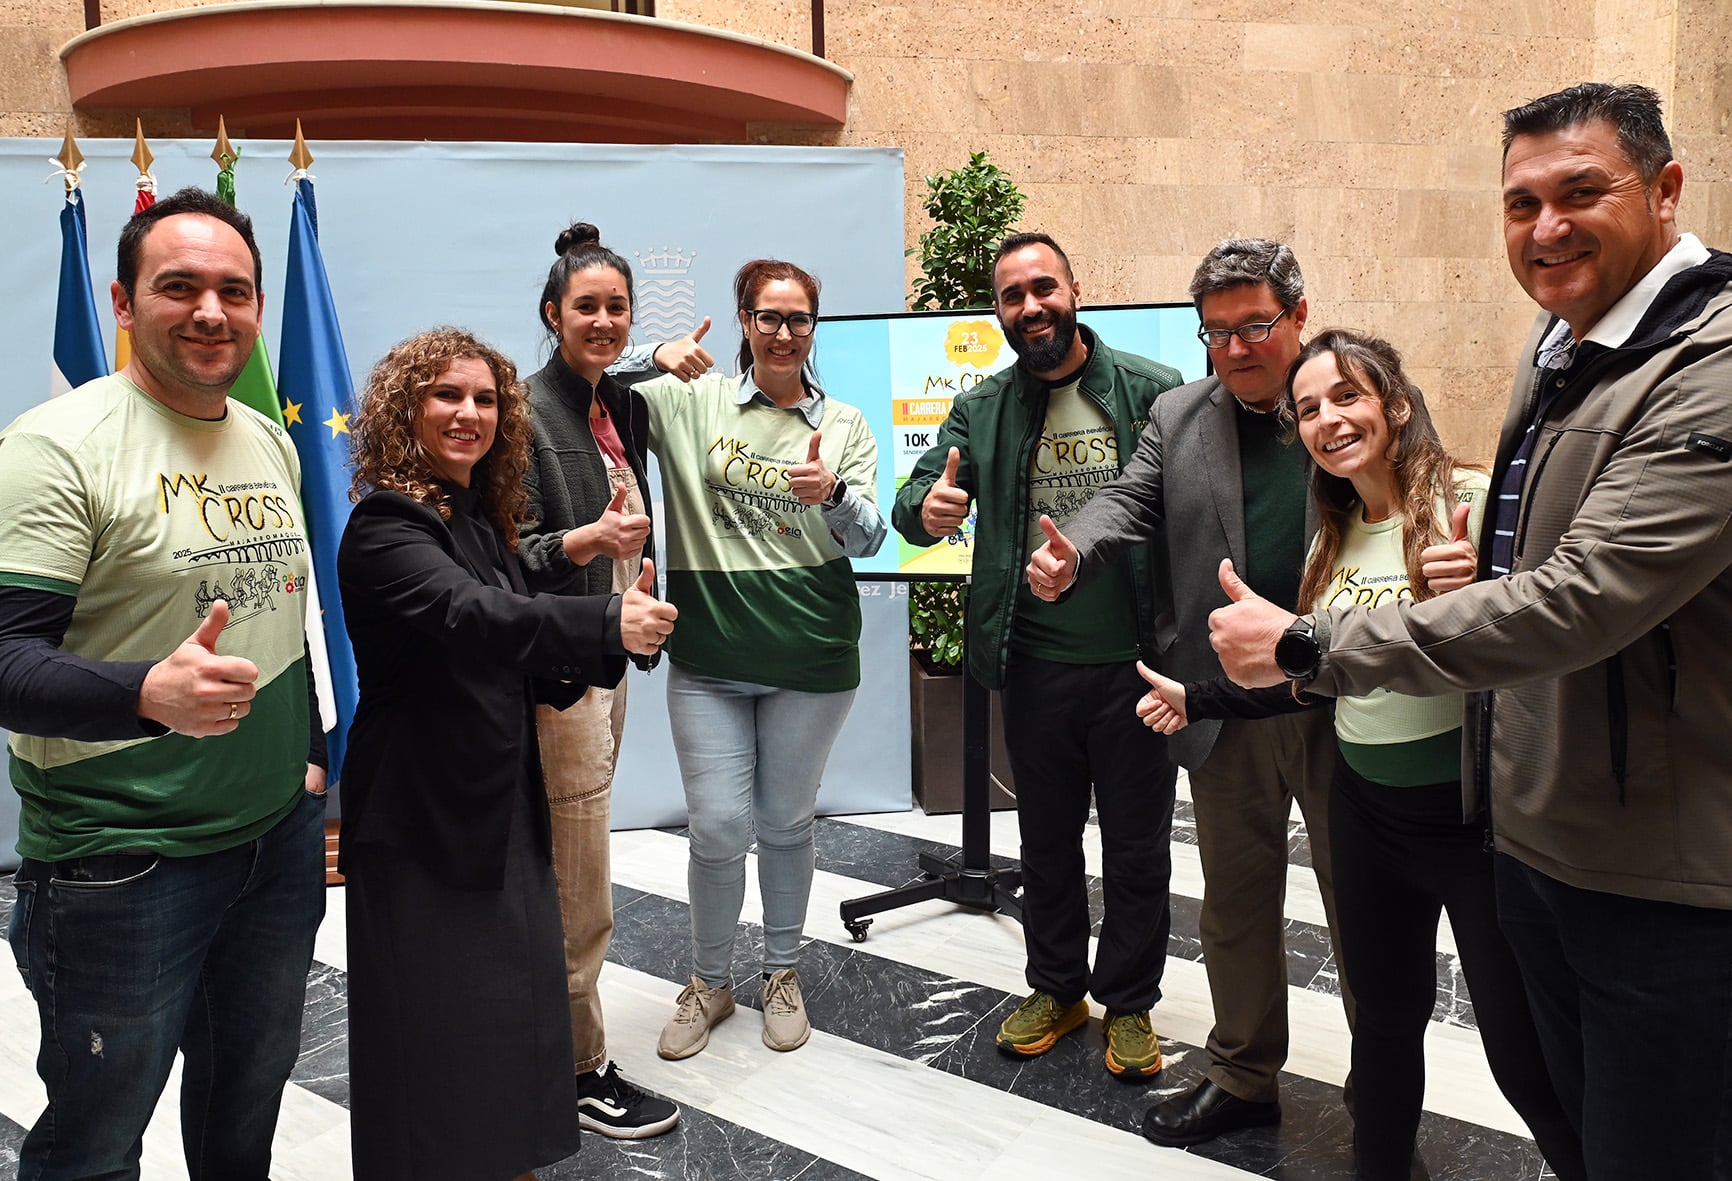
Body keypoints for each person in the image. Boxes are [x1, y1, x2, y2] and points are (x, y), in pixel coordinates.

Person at [1207, 82, 1732, 1179]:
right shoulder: (1560, 348)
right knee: (1541, 1092)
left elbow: (1580, 595)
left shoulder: (1708, 364)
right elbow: (1533, 575)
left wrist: (1312, 649)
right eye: (1520, 202)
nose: (1546, 228)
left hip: (1658, 869)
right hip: (1536, 828)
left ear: (1667, 187)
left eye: (1581, 192)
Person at [1137, 330, 1583, 1181]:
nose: (1327, 419)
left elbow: (1547, 636)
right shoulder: (1330, 537)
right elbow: (1316, 677)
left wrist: (1481, 593)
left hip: (1473, 824)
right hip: (1368, 816)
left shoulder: (1474, 506)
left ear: (1398, 405)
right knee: (1382, 1034)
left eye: (1347, 397)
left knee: (1525, 1057)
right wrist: (1204, 696)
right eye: (1308, 409)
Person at [0, 187, 328, 1179]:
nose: (211, 311)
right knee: (96, 1139)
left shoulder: (266, 436)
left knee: (244, 1108)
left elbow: (285, 616)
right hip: (122, 865)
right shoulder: (56, 446)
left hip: (273, 845)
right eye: (178, 286)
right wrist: (145, 691)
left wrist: (309, 759)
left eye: (234, 290)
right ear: (123, 300)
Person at [1025, 239, 1351, 1144]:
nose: (1237, 348)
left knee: (1359, 901)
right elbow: (1127, 500)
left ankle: (1385, 1086)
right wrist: (1074, 548)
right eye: (1217, 332)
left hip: (1342, 697)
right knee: (1237, 900)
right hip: (1223, 701)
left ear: (1297, 314)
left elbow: (1418, 492)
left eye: (1255, 326)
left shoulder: (1346, 396)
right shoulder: (1180, 412)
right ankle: (1245, 1074)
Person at [337, 327, 676, 1179]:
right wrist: (606, 621)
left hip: (498, 800)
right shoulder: (387, 524)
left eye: (485, 398)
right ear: (403, 408)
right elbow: (472, 620)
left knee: (505, 1022)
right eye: (446, 395)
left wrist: (608, 644)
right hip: (423, 819)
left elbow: (520, 638)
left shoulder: (474, 517)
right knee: (438, 1037)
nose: (468, 413)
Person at [892, 232, 1181, 1081]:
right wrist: (929, 507)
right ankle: (1058, 987)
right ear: (999, 313)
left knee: (1138, 847)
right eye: (1012, 296)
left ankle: (1129, 1001)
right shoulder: (982, 408)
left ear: (1075, 289)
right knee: (1048, 842)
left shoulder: (1154, 393)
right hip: (1035, 665)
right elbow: (915, 495)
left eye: (1043, 287)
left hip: (1135, 664)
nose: (1031, 307)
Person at [634, 258, 886, 1061]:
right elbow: (592, 384)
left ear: (815, 326)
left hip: (810, 655)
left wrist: (835, 496)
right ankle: (710, 981)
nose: (784, 333)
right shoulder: (690, 400)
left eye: (799, 319)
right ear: (742, 320)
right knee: (713, 827)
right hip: (708, 652)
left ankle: (781, 970)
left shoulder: (844, 422)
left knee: (784, 823)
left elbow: (873, 535)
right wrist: (652, 354)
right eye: (768, 317)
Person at [516, 222, 698, 1138]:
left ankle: (552, 1041)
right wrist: (593, 543)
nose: (602, 319)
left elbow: (644, 386)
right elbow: (505, 556)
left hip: (608, 662)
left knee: (576, 864)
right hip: (561, 676)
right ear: (552, 314)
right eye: (585, 306)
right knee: (577, 884)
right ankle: (577, 1067)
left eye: (616, 307)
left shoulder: (612, 403)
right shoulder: (522, 411)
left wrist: (664, 355)